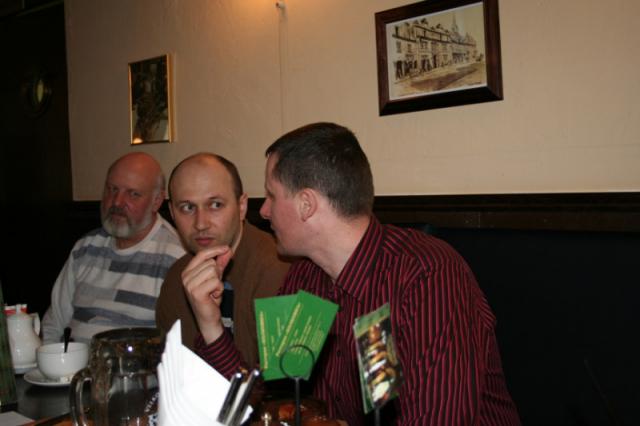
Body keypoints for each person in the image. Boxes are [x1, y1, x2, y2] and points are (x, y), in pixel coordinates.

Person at [186, 123, 520, 425]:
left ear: (306, 204)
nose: (264, 211)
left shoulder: (426, 275)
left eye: (272, 195)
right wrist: (210, 322)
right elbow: (271, 404)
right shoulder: (305, 279)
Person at [155, 153, 289, 367]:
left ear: (242, 206)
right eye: (187, 208)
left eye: (215, 205)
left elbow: (275, 383)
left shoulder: (280, 270)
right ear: (172, 213)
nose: (201, 224)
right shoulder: (175, 280)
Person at [41, 152, 186, 344]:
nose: (117, 202)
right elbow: (54, 324)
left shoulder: (176, 258)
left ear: (157, 201)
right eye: (112, 189)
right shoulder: (85, 247)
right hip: (71, 362)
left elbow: (180, 344)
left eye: (133, 194)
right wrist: (50, 358)